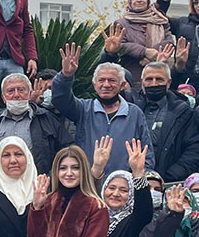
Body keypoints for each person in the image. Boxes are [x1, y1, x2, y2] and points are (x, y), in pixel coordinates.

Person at [51, 43, 156, 174]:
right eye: (101, 80)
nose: (106, 85)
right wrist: (66, 76)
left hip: (122, 187)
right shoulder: (83, 109)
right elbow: (60, 99)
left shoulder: (134, 113)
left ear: (122, 85)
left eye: (112, 80)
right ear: (95, 84)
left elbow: (147, 153)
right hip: (89, 184)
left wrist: (140, 178)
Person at [0, 73, 72, 179]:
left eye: (21, 90)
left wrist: (50, 180)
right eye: (10, 91)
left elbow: (67, 151)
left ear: (29, 94)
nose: (16, 95)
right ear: (3, 98)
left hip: (36, 190)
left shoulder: (46, 118)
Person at [127, 61, 199, 181]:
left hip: (166, 183)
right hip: (127, 180)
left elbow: (195, 149)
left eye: (159, 79)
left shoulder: (183, 112)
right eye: (149, 79)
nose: (154, 84)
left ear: (169, 83)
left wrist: (170, 176)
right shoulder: (128, 106)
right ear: (142, 81)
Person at [109, 0, 176, 86]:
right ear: (130, 2)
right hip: (132, 76)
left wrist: (151, 57)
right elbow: (119, 45)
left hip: (157, 76)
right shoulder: (121, 23)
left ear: (148, 1)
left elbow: (169, 41)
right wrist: (144, 52)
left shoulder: (160, 20)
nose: (139, 0)